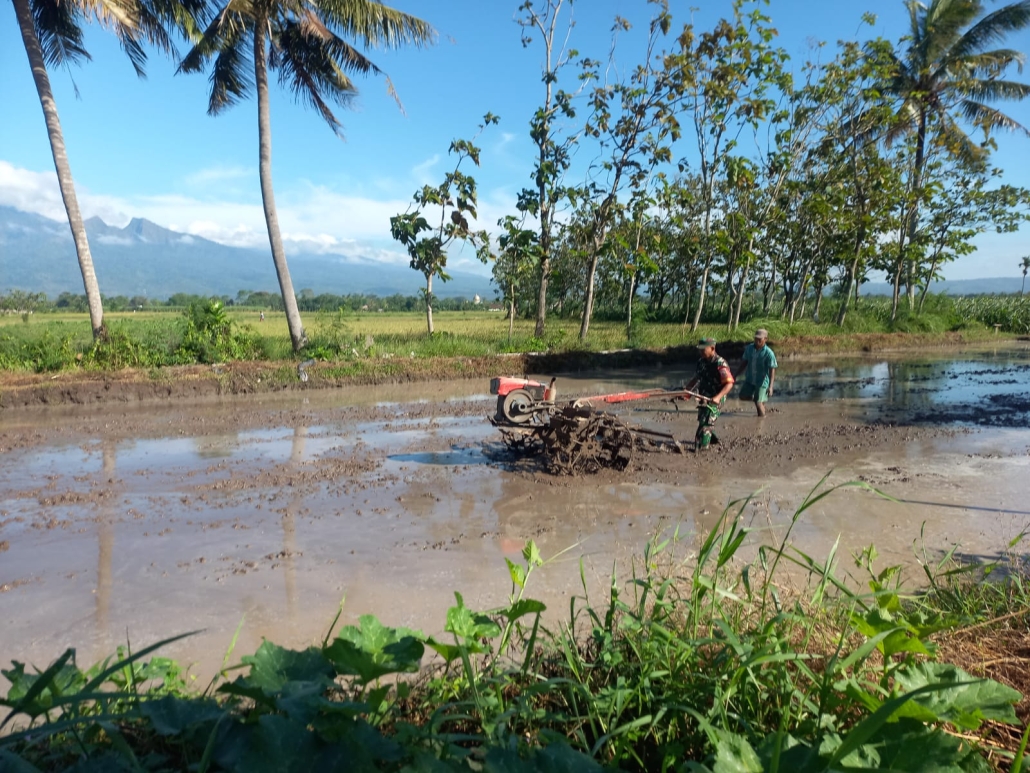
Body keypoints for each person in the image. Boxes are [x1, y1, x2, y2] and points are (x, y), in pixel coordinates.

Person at [683, 337, 735, 450]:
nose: (701, 352)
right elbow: (696, 378)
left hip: (717, 396)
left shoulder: (720, 363)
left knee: (706, 421)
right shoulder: (701, 362)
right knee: (703, 418)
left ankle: (702, 447)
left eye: (703, 349)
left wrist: (718, 397)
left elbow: (729, 383)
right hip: (703, 396)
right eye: (700, 349)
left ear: (712, 348)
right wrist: (687, 391)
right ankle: (713, 439)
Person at [734, 328, 777, 417]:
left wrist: (771, 387)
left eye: (760, 339)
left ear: (765, 339)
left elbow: (772, 370)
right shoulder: (749, 348)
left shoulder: (769, 353)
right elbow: (744, 362)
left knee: (758, 403)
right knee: (742, 396)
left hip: (762, 381)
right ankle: (759, 400)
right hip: (750, 379)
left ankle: (762, 420)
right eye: (756, 339)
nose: (757, 341)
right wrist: (735, 375)